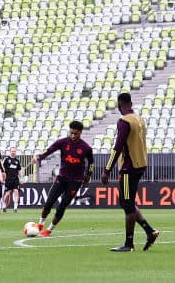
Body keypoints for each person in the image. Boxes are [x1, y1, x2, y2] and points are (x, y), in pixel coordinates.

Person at [102, 93, 159, 252]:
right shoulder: (139, 119)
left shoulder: (124, 121)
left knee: (127, 204)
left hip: (129, 168)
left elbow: (118, 147)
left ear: (119, 105)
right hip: (141, 165)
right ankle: (150, 231)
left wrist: (107, 170)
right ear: (131, 103)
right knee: (129, 202)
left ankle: (129, 244)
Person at [31, 120, 94, 235]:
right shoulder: (63, 142)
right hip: (62, 178)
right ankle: (40, 224)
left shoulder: (86, 148)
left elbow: (91, 164)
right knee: (49, 203)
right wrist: (39, 157)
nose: (73, 135)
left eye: (76, 133)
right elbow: (49, 150)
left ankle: (49, 230)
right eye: (71, 133)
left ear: (80, 132)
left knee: (62, 206)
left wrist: (87, 177)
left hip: (75, 181)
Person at [1, 147, 22, 212]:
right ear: (10, 152)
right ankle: (4, 205)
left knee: (16, 191)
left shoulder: (17, 160)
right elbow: (1, 168)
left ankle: (15, 207)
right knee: (7, 193)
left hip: (15, 179)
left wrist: (21, 178)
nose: (13, 152)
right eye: (12, 151)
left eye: (14, 151)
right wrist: (1, 177)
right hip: (8, 179)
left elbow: (19, 170)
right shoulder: (6, 159)